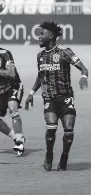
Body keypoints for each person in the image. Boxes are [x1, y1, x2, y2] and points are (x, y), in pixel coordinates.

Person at [25, 21, 88, 171]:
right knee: (51, 127)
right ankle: (49, 154)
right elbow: (41, 76)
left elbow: (83, 68)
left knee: (68, 131)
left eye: (42, 33)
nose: (39, 36)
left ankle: (64, 156)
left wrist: (84, 77)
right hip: (49, 98)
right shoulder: (40, 56)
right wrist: (31, 93)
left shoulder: (64, 52)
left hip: (66, 98)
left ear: (51, 35)